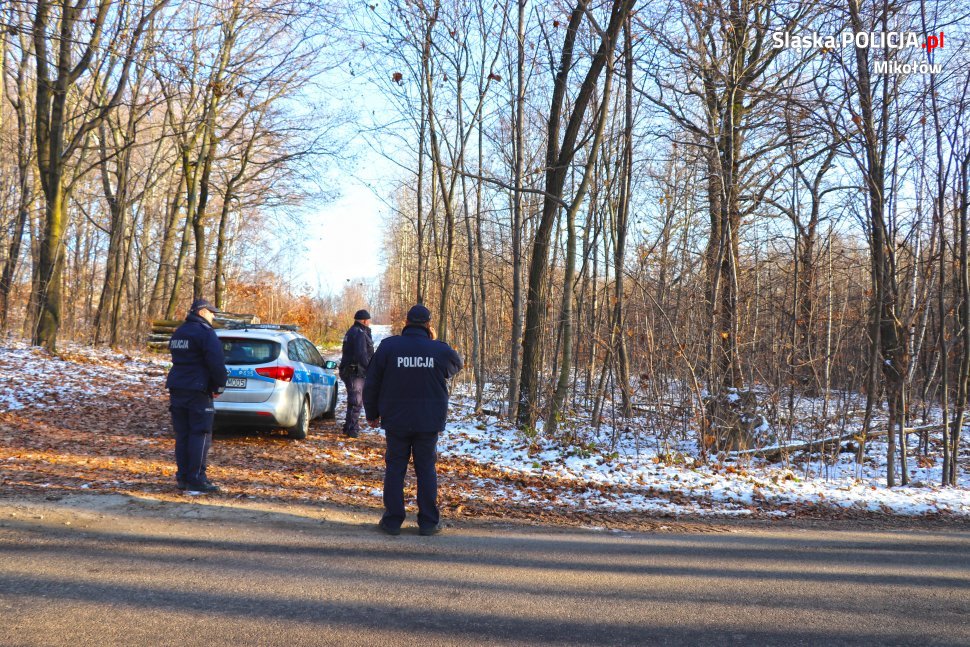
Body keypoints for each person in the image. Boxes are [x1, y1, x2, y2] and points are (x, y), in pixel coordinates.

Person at [364, 304, 463, 536]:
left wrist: (371, 413)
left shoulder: (389, 347)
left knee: (396, 468)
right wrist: (433, 341)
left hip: (396, 419)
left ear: (406, 323)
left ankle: (392, 521)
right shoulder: (439, 349)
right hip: (428, 421)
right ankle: (428, 522)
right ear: (428, 325)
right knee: (426, 469)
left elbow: (372, 382)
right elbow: (455, 365)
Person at [165, 298, 228, 493]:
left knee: (183, 434)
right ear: (201, 312)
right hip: (198, 389)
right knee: (201, 433)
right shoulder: (205, 333)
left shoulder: (179, 332)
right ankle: (197, 478)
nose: (213, 316)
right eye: (211, 312)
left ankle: (183, 477)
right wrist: (219, 386)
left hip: (177, 387)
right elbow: (216, 363)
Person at [339, 308, 374, 439]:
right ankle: (352, 429)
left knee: (353, 400)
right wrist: (371, 368)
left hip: (351, 371)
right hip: (355, 372)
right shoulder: (359, 333)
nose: (369, 323)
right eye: (368, 321)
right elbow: (362, 355)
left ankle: (348, 426)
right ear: (364, 321)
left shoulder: (352, 331)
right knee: (356, 401)